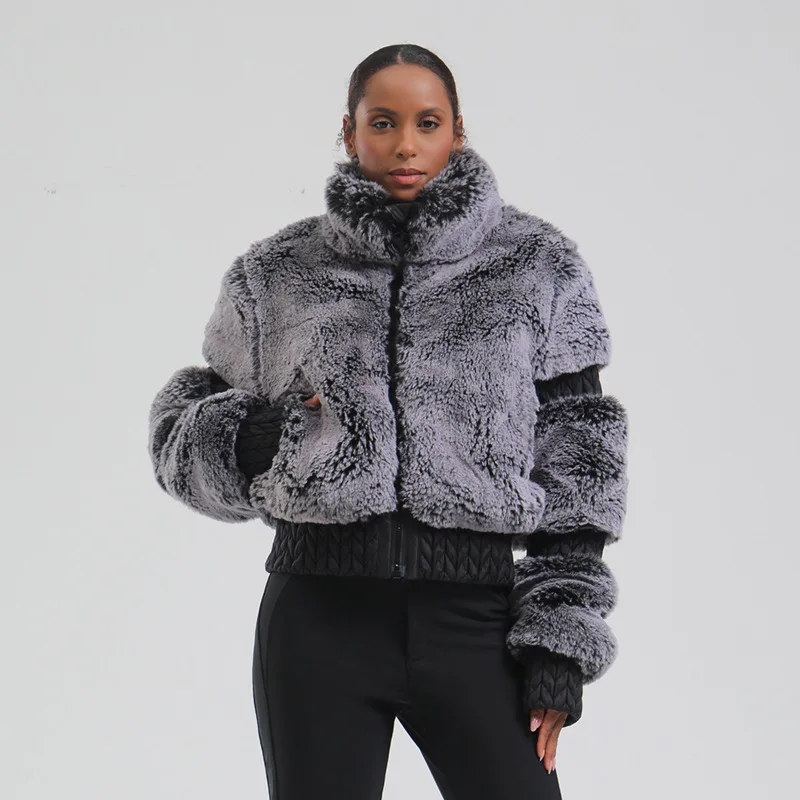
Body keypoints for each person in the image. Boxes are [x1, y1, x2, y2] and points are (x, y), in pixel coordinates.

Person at [148, 43, 629, 800]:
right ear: (349, 133)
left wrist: (558, 641)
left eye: (427, 123)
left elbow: (581, 456)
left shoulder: (537, 266)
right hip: (318, 623)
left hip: (478, 626)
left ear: (457, 132)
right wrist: (253, 438)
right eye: (383, 122)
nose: (406, 144)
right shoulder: (277, 274)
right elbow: (181, 429)